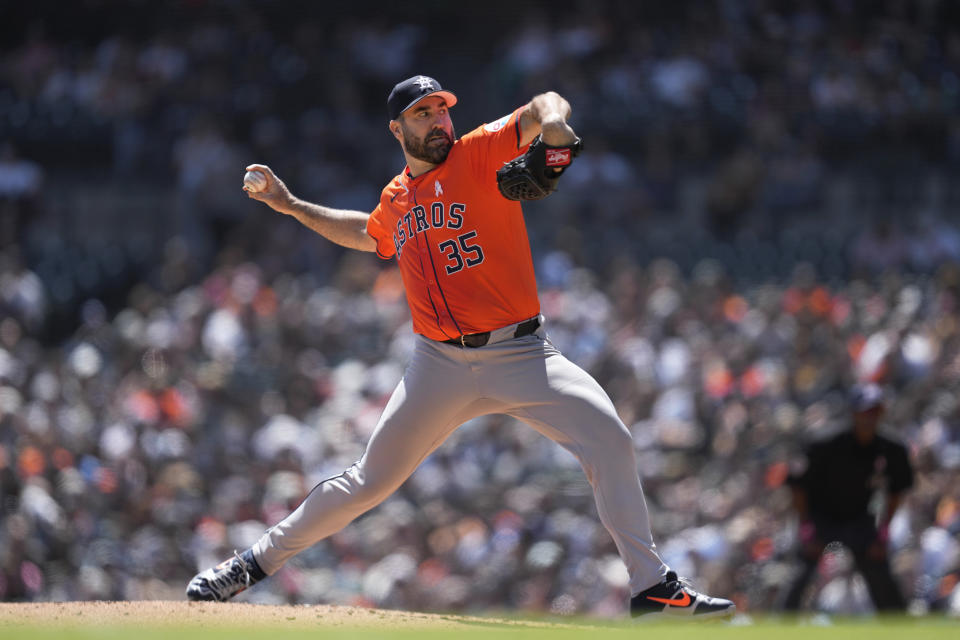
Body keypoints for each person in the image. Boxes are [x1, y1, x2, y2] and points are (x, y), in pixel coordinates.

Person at [186, 75, 735, 619]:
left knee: (611, 440)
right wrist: (292, 206)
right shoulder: (397, 197)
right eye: (423, 114)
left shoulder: (476, 154)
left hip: (522, 354)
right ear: (397, 129)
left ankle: (652, 589)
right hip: (438, 365)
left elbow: (546, 103)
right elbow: (369, 233)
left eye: (442, 110)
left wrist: (555, 129)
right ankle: (249, 566)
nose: (439, 121)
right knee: (367, 482)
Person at [782, 383, 914, 611]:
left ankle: (898, 627)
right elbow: (797, 486)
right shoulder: (824, 442)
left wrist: (883, 531)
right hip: (820, 516)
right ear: (853, 412)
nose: (869, 418)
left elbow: (897, 490)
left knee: (879, 570)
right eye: (865, 411)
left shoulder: (891, 448)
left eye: (875, 411)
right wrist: (805, 526)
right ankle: (780, 624)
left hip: (859, 517)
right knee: (801, 573)